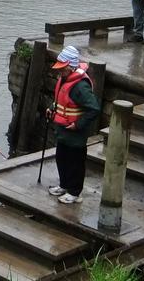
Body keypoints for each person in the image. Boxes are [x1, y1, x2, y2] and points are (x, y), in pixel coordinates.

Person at [46, 46, 100, 204]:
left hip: (75, 133)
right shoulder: (64, 79)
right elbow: (60, 100)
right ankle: (64, 185)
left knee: (75, 163)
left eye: (63, 69)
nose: (60, 72)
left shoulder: (80, 86)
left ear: (71, 67)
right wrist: (51, 108)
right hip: (63, 131)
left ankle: (75, 192)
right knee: (61, 158)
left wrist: (78, 124)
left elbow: (94, 108)